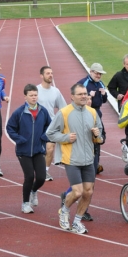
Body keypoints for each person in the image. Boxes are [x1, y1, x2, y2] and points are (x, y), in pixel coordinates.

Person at [47, 83, 103, 234]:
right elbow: (50, 133)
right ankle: (64, 210)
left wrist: (98, 134)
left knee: (88, 192)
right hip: (71, 159)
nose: (84, 96)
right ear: (72, 96)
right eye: (80, 94)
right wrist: (65, 137)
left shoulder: (92, 112)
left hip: (89, 159)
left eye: (85, 93)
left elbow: (100, 136)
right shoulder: (64, 113)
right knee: (77, 192)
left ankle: (77, 221)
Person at [6, 84, 52, 213]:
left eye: (35, 95)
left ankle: (34, 190)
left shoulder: (43, 111)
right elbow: (10, 128)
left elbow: (50, 125)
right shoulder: (19, 112)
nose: (34, 97)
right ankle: (25, 203)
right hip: (23, 151)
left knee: (42, 177)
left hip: (38, 149)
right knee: (29, 176)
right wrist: (19, 139)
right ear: (25, 96)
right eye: (31, 95)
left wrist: (44, 136)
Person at [76, 63, 108, 175]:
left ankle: (95, 163)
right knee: (85, 137)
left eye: (100, 74)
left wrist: (104, 95)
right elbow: (75, 97)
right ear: (91, 72)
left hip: (97, 113)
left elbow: (104, 100)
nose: (98, 75)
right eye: (97, 73)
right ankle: (83, 164)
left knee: (99, 137)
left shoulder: (100, 83)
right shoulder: (83, 83)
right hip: (85, 112)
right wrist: (88, 95)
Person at [36, 66, 67, 181]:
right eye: (48, 73)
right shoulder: (36, 90)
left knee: (50, 148)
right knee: (38, 150)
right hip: (37, 124)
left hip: (51, 125)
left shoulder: (56, 91)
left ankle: (45, 171)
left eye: (51, 73)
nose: (50, 75)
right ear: (41, 75)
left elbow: (63, 108)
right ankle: (36, 169)